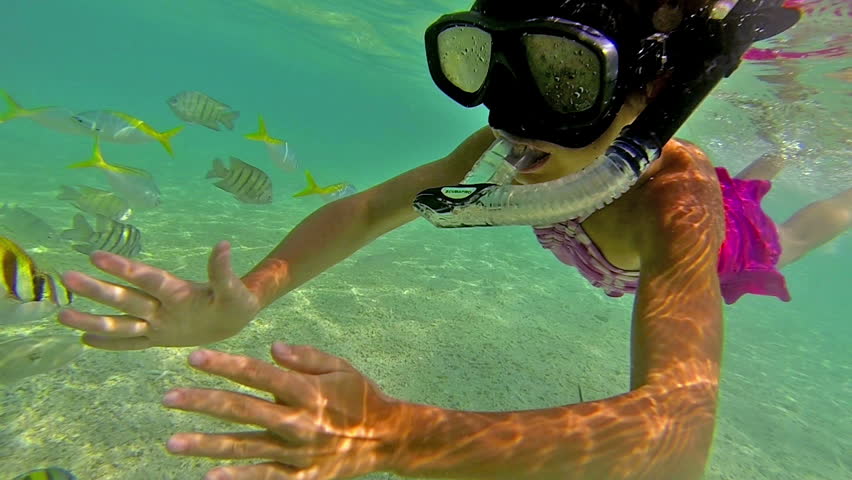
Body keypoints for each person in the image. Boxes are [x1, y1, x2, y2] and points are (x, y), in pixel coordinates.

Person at [57, 1, 850, 479]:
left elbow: (679, 437)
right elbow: (372, 211)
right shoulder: (515, 150)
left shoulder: (676, 204)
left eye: (564, 77)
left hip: (725, 249)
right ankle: (773, 155)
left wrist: (398, 435)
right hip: (630, 222)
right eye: (490, 64)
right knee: (761, 180)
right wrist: (251, 294)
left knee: (788, 233)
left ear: (655, 92)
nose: (509, 112)